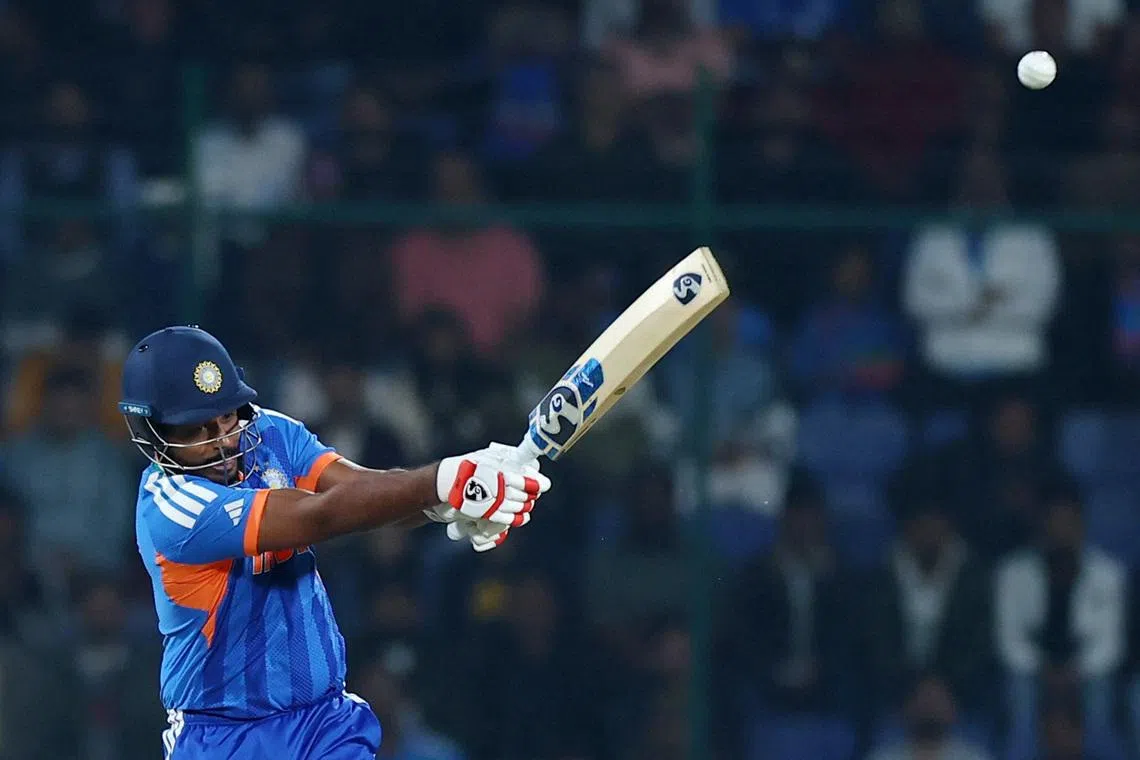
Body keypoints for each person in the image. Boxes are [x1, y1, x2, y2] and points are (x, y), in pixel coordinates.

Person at [117, 325, 551, 759]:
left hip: (324, 722)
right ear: (152, 432)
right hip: (226, 738)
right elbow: (320, 514)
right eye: (198, 430)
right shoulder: (171, 509)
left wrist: (449, 503)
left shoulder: (269, 431)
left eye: (227, 416)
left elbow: (363, 490)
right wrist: (444, 481)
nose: (225, 439)